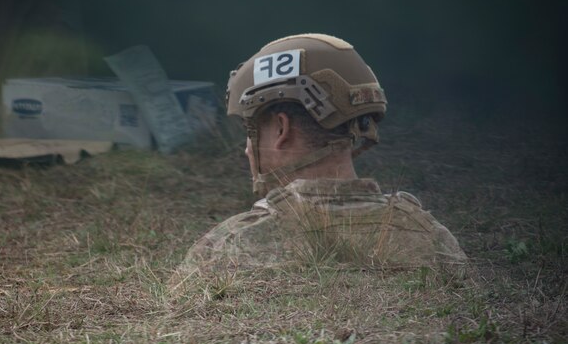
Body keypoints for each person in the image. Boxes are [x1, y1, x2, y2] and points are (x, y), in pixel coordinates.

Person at [177, 33, 467, 280]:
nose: (247, 149)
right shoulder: (433, 237)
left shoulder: (229, 245)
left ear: (281, 128)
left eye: (251, 130)